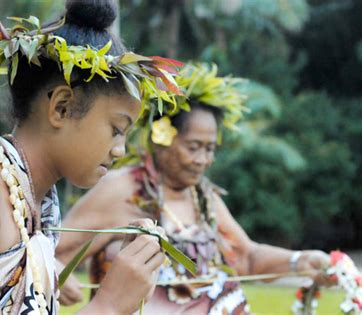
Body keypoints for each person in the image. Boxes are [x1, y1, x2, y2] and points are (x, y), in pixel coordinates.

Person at [0, 0, 183, 313]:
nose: (120, 150)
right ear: (61, 108)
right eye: (116, 129)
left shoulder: (38, 210)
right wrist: (109, 304)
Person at [56, 63, 333, 314]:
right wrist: (58, 274)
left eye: (209, 149)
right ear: (161, 139)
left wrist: (299, 260)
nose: (202, 160)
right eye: (193, 147)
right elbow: (55, 255)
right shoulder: (122, 189)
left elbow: (246, 257)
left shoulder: (203, 197)